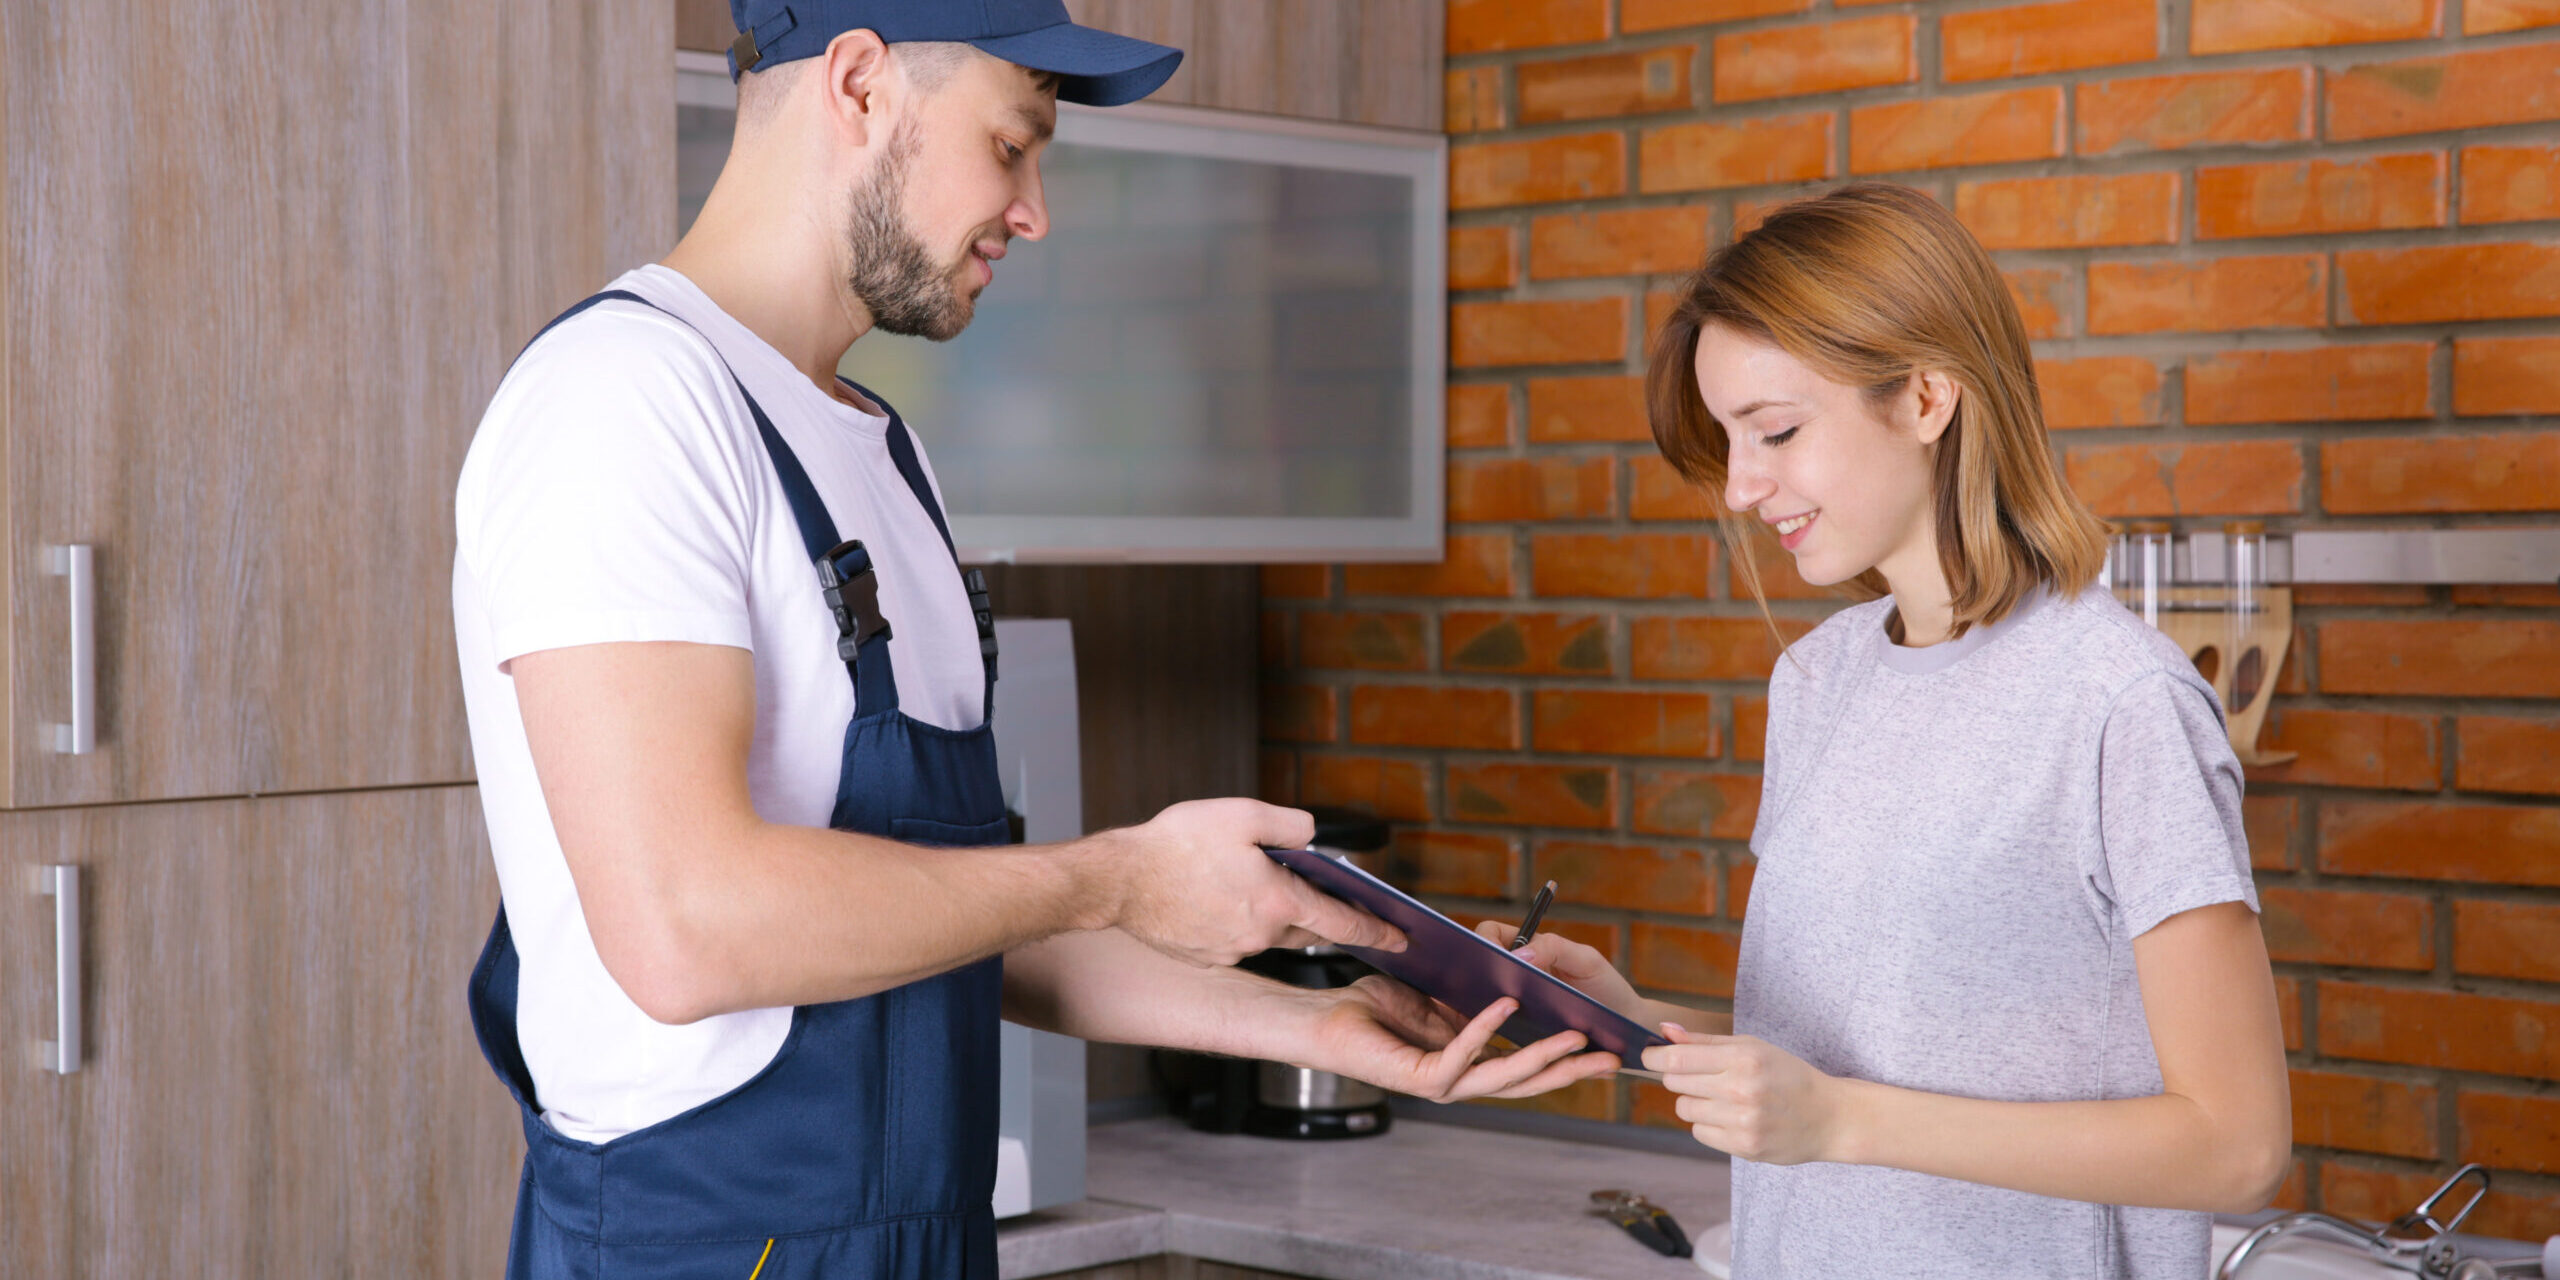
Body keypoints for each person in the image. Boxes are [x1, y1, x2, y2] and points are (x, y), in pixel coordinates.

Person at [451, 4, 1614, 1277]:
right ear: (857, 84)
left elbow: (957, 915)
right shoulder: (624, 404)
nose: (1034, 208)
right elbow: (684, 927)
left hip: (922, 1231)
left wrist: (1321, 1029)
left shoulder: (885, 456)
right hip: (706, 1240)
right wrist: (1117, 871)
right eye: (1013, 144)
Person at [1479, 182, 2291, 1279]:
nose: (1740, 487)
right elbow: (1862, 1046)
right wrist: (1626, 1019)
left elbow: (2234, 1146)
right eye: (1728, 441)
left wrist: (1840, 1122)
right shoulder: (1817, 679)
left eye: (1773, 430)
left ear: (1923, 397)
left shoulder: (2117, 702)